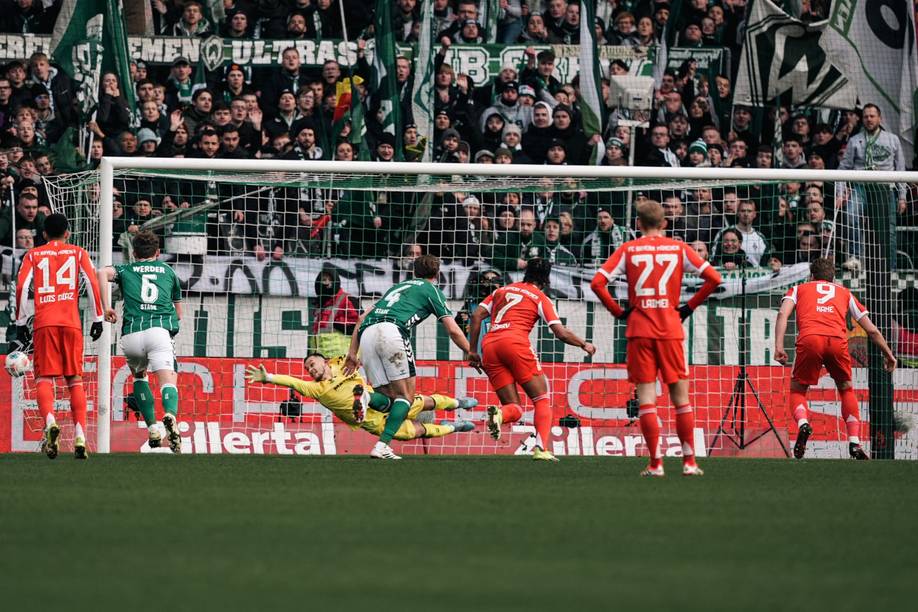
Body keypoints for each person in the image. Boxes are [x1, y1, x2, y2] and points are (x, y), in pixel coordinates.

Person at [590, 201, 722, 477]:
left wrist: (618, 311)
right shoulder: (678, 248)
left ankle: (655, 464)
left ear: (638, 224)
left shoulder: (628, 249)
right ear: (664, 224)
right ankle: (689, 463)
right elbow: (714, 278)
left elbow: (597, 283)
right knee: (681, 399)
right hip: (670, 328)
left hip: (639, 329)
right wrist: (688, 307)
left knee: (647, 399)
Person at [344, 255, 472, 460]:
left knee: (389, 398)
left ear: (414, 272)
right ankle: (382, 446)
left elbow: (361, 318)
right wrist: (471, 352)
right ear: (437, 274)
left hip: (367, 335)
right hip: (392, 332)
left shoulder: (397, 288)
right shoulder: (432, 290)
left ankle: (366, 398)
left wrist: (352, 354)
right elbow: (454, 330)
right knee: (406, 397)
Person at [468, 258, 595, 461]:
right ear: (546, 280)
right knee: (541, 399)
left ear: (526, 274)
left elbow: (476, 316)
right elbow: (560, 333)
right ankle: (541, 448)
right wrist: (583, 344)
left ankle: (500, 414)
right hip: (515, 343)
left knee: (515, 409)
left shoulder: (502, 291)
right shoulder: (540, 297)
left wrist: (472, 351)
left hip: (490, 346)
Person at [774, 257, 897, 460]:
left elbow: (782, 314)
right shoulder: (845, 293)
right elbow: (872, 330)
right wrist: (888, 354)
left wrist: (779, 346)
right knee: (846, 388)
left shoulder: (798, 289)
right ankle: (855, 443)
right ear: (833, 278)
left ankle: (804, 424)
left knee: (798, 389)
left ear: (811, 276)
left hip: (810, 339)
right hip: (837, 342)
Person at [13, 213, 104, 460]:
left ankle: (51, 421)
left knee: (43, 377)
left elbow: (21, 287)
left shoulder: (33, 254)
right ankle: (80, 436)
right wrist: (98, 318)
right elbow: (93, 283)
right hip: (71, 322)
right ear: (68, 233)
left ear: (43, 234)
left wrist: (21, 321)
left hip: (44, 323)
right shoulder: (78, 252)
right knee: (74, 379)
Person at [246, 353, 475, 443]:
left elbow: (362, 353)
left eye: (313, 364)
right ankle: (451, 427)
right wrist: (269, 377)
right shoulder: (317, 389)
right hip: (371, 421)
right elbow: (292, 382)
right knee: (413, 433)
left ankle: (458, 403)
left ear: (324, 361)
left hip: (381, 402)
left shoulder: (342, 363)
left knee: (419, 402)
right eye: (308, 369)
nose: (311, 370)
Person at [97, 231, 183, 453]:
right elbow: (179, 313)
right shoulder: (169, 272)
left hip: (131, 334)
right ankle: (170, 416)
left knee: (139, 376)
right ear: (158, 252)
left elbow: (101, 272)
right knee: (167, 380)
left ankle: (153, 427)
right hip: (159, 331)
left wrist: (106, 307)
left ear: (134, 253)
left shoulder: (126, 269)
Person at [310, 267, 359, 358]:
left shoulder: (347, 300)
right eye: (324, 280)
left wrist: (338, 325)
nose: (328, 283)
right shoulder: (319, 306)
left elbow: (359, 324)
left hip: (342, 358)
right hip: (321, 359)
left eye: (330, 280)